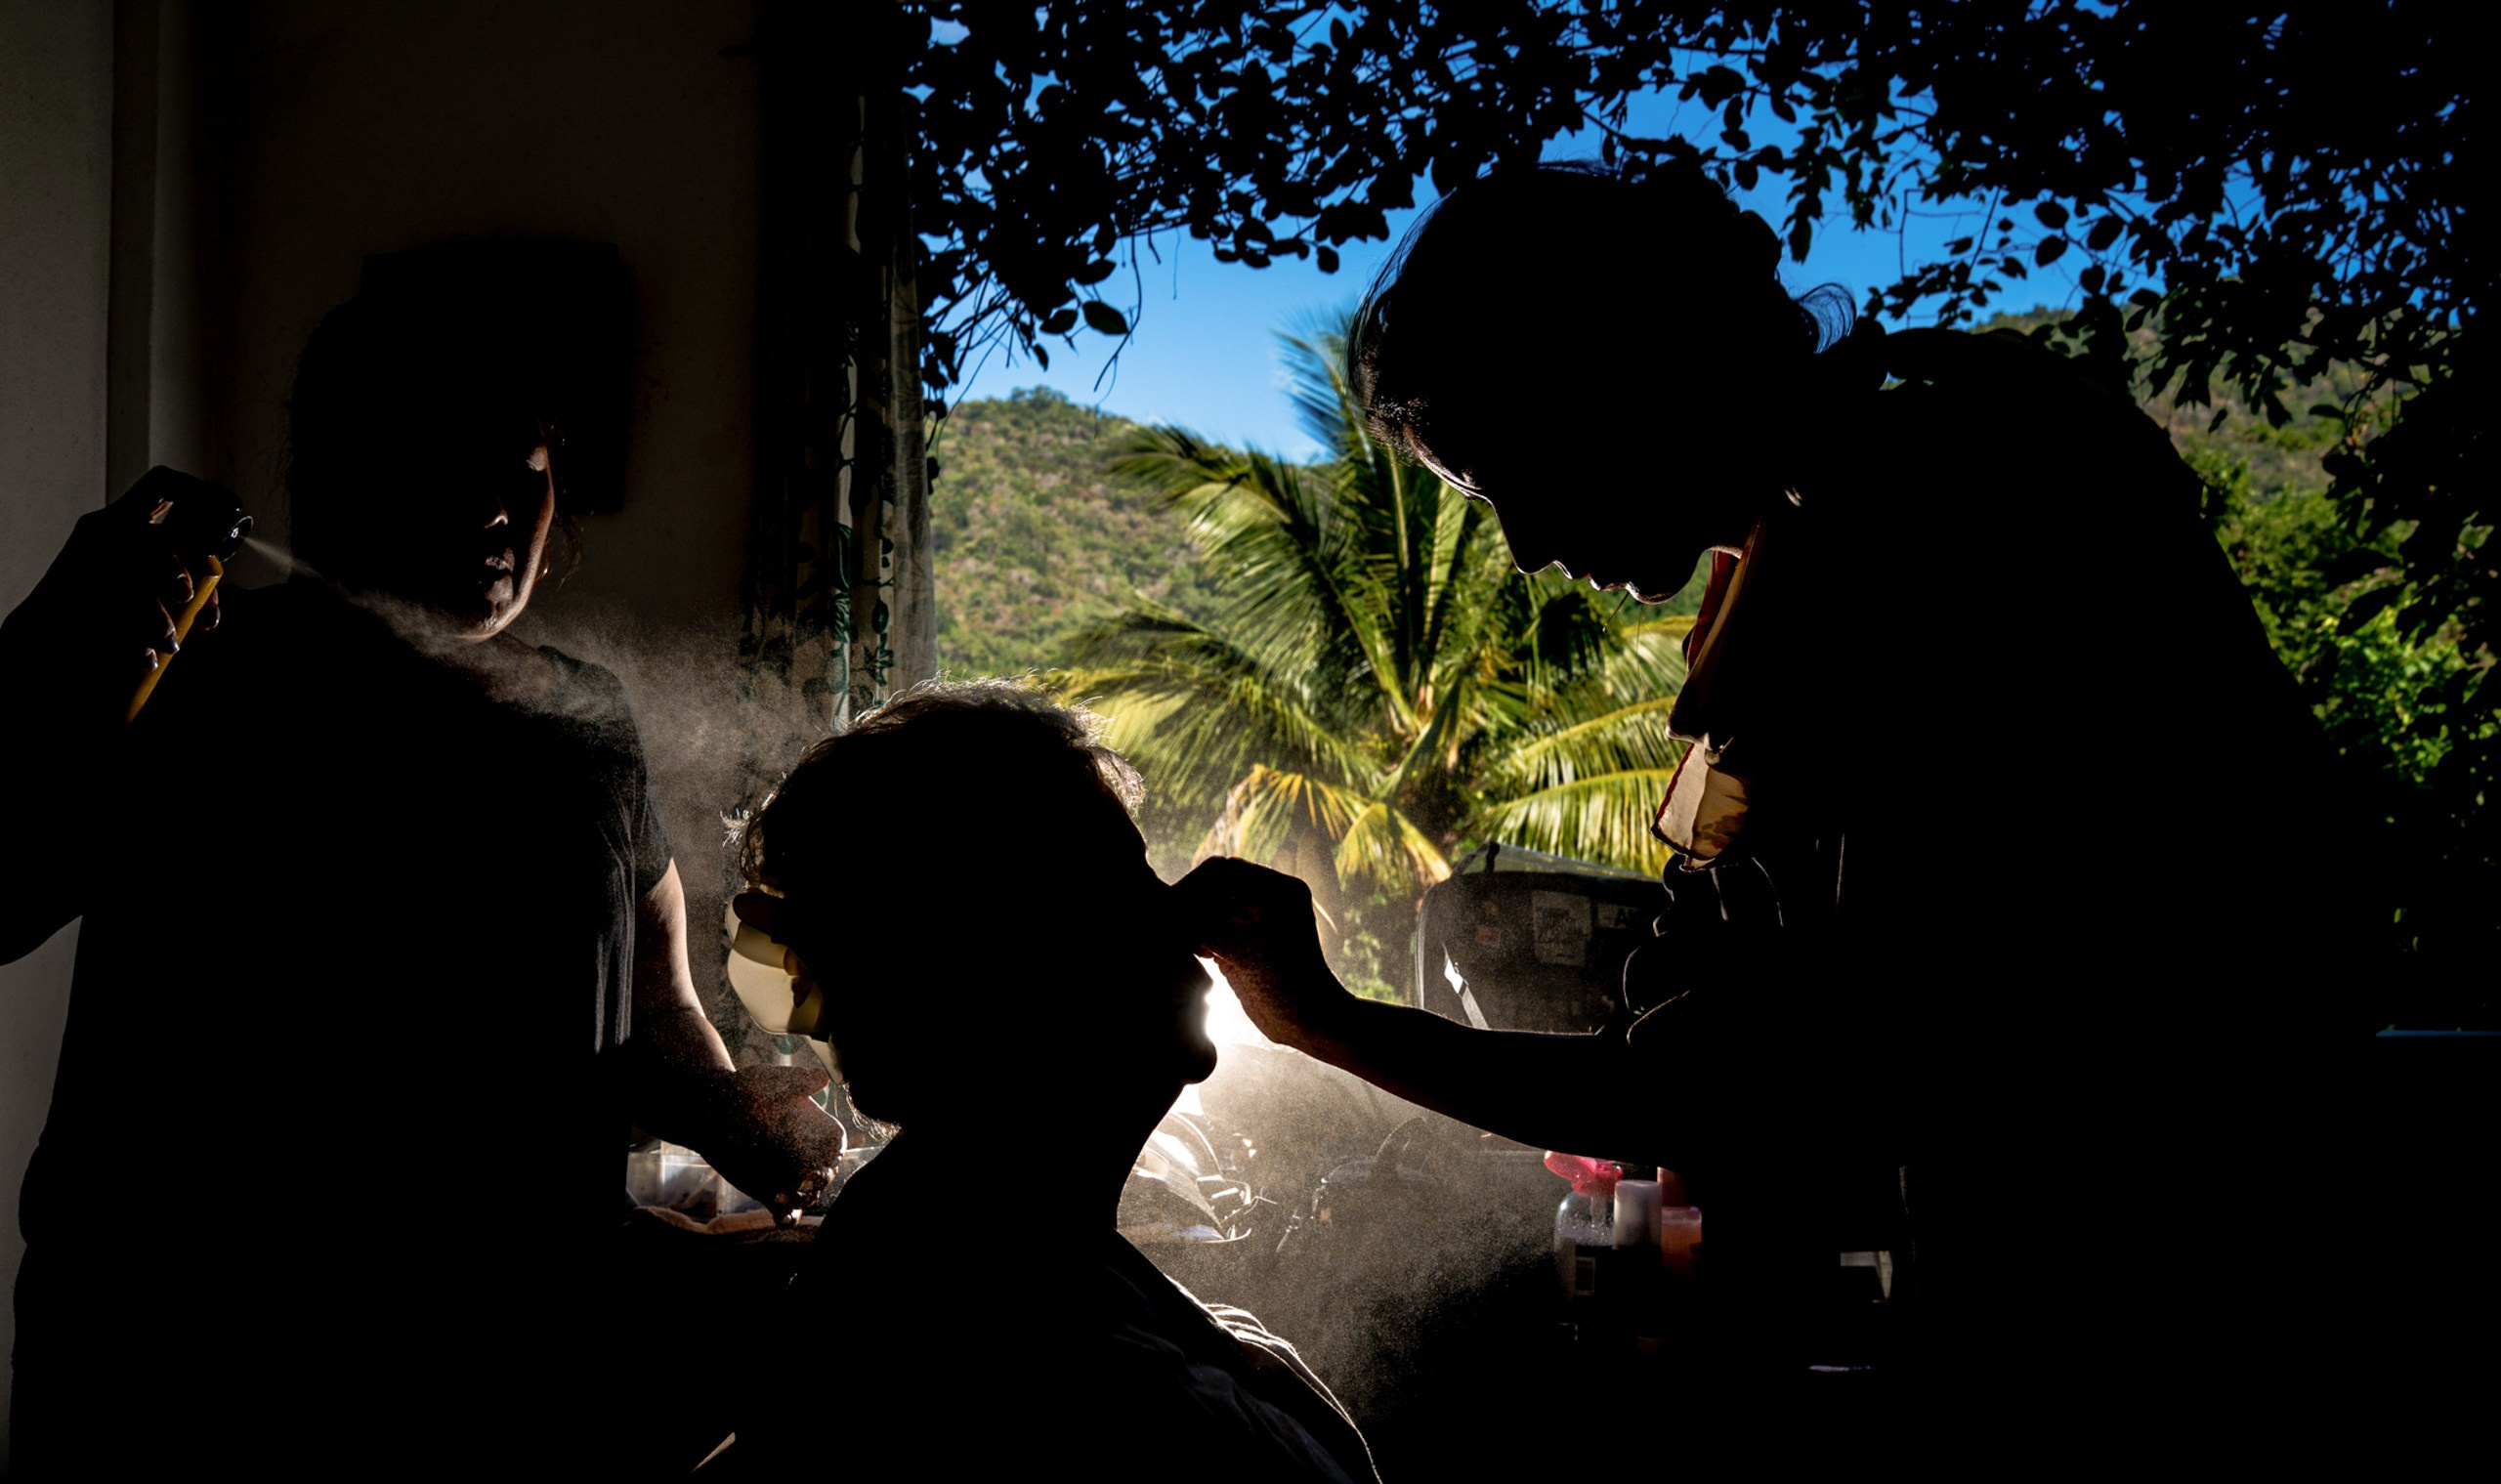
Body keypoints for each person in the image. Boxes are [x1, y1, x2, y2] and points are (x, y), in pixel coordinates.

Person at [1179, 161, 2357, 1439]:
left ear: (1615, 367)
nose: (1520, 546)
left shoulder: (1929, 533)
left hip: (2129, 1311)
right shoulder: (1858, 514)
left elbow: (1737, 1083)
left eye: (1510, 462)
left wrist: (1321, 1020)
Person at [0, 249, 843, 1474]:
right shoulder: (191, 681)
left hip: (492, 1391)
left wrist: (734, 1118)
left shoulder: (589, 722)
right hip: (187, 1386)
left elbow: (652, 1000)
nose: (494, 507)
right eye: (441, 459)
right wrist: (43, 677)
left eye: (525, 467)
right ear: (342, 471)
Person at [732, 680, 1377, 1483]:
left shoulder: (970, 1239)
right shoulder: (1067, 1385)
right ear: (1003, 971)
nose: (1179, 909)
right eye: (1118, 882)